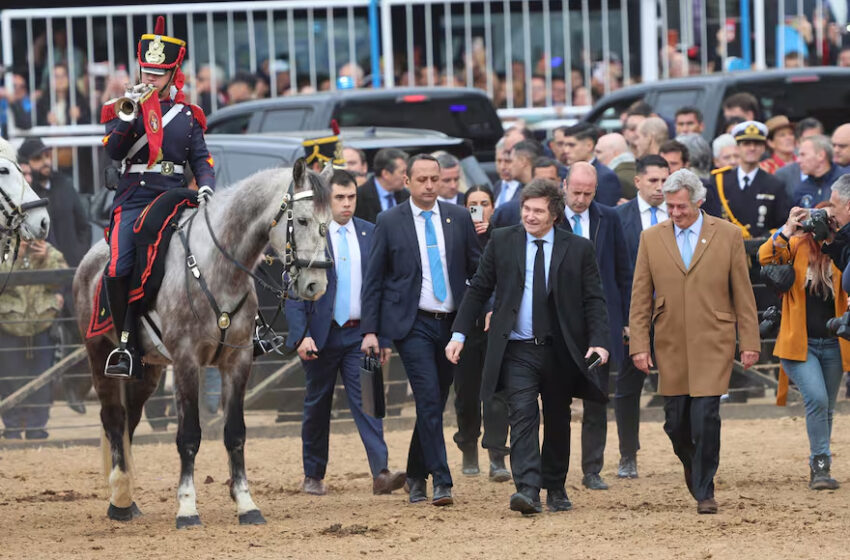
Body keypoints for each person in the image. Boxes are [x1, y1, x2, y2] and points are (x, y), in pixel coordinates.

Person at [445, 178, 610, 515]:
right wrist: (459, 333)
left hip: (560, 349)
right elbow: (478, 289)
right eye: (526, 209)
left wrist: (599, 342)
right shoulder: (503, 240)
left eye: (538, 211)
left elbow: (594, 299)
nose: (530, 216)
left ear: (554, 215)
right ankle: (528, 490)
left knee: (557, 418)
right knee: (522, 414)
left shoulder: (578, 248)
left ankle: (557, 487)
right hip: (516, 348)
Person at [629, 169, 760, 514]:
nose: (675, 213)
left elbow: (743, 293)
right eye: (670, 207)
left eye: (681, 207)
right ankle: (693, 464)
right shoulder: (651, 238)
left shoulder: (728, 235)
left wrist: (750, 341)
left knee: (706, 416)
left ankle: (705, 490)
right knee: (675, 422)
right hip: (670, 342)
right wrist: (639, 345)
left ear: (699, 202)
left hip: (713, 340)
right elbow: (640, 297)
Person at [361, 154, 481, 506]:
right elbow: (374, 280)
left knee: (435, 402)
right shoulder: (389, 220)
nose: (430, 186)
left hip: (453, 324)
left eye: (435, 179)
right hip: (412, 323)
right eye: (422, 179)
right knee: (428, 399)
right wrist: (372, 331)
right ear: (408, 181)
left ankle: (415, 473)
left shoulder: (458, 217)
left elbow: (477, 270)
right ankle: (441, 480)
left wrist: (483, 309)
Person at [100, 16, 215, 378]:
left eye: (158, 73)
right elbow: (114, 153)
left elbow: (201, 158)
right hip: (134, 198)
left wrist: (207, 183)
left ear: (173, 73)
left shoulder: (188, 115)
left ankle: (242, 328)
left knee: (224, 248)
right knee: (118, 267)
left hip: (176, 196)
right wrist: (128, 118)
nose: (149, 79)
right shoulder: (122, 108)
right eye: (146, 71)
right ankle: (125, 343)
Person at [285, 169, 406, 496]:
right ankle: (313, 474)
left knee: (370, 402)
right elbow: (294, 292)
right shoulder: (310, 235)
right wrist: (301, 335)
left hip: (359, 337)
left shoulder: (371, 233)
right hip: (320, 339)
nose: (347, 203)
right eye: (339, 197)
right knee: (317, 406)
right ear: (327, 199)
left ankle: (381, 472)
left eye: (351, 196)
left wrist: (379, 336)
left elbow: (382, 288)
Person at [758, 205, 847, 490]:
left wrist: (835, 239)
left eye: (832, 219)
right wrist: (788, 228)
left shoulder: (842, 252)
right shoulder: (796, 245)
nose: (826, 224)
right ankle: (820, 461)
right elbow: (765, 257)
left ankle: (821, 467)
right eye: (822, 219)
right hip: (800, 343)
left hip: (834, 342)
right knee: (818, 400)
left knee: (828, 407)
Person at [562, 162, 632, 491]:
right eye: (576, 192)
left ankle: (592, 468)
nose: (581, 199)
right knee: (555, 398)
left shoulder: (609, 217)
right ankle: (555, 466)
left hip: (597, 324)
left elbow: (622, 271)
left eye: (587, 194)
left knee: (596, 397)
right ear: (564, 186)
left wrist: (627, 318)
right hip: (559, 323)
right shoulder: (551, 217)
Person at [614, 155, 670, 477]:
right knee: (627, 386)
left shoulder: (680, 215)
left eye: (664, 180)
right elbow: (615, 273)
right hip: (632, 315)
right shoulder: (618, 217)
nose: (660, 187)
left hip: (672, 314)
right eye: (653, 181)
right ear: (637, 181)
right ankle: (627, 454)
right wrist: (624, 317)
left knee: (680, 382)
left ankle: (686, 445)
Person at [452, 184, 511, 481]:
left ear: (493, 205)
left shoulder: (502, 236)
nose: (478, 208)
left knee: (498, 392)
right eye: (472, 203)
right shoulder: (456, 235)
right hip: (465, 326)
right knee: (466, 394)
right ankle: (468, 446)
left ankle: (497, 455)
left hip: (495, 325)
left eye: (484, 202)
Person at [0, 239, 67, 440]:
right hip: (8, 325)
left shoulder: (49, 250)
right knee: (9, 380)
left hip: (42, 326)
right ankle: (12, 427)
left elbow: (61, 279)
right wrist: (16, 257)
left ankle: (36, 427)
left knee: (42, 379)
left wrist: (46, 258)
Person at [18, 137, 91, 268]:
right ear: (25, 165)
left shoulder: (65, 184)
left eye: (47, 156)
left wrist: (79, 255)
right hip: (42, 274)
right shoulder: (25, 196)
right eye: (37, 159)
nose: (45, 162)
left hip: (72, 269)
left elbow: (84, 227)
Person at [709, 120, 789, 239]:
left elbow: (783, 223)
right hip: (728, 249)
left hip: (760, 251)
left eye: (757, 144)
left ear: (763, 148)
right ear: (737, 148)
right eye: (746, 143)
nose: (752, 148)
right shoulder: (720, 180)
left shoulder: (775, 185)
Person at [552, 123, 621, 206]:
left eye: (571, 145)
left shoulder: (605, 176)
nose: (565, 150)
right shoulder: (565, 172)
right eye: (564, 145)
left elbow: (606, 214)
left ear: (589, 146)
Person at [354, 147, 409, 223]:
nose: (406, 176)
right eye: (402, 172)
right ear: (385, 174)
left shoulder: (406, 196)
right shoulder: (358, 198)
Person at [794, 135, 847, 207]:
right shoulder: (801, 189)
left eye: (803, 155)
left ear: (821, 155)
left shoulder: (845, 181)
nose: (798, 160)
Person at [595, 133, 637, 200]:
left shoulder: (612, 179)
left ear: (615, 153)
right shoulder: (641, 171)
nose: (595, 157)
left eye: (599, 152)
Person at [493, 137, 522, 208]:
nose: (502, 167)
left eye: (508, 161)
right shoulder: (497, 186)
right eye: (499, 161)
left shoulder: (527, 189)